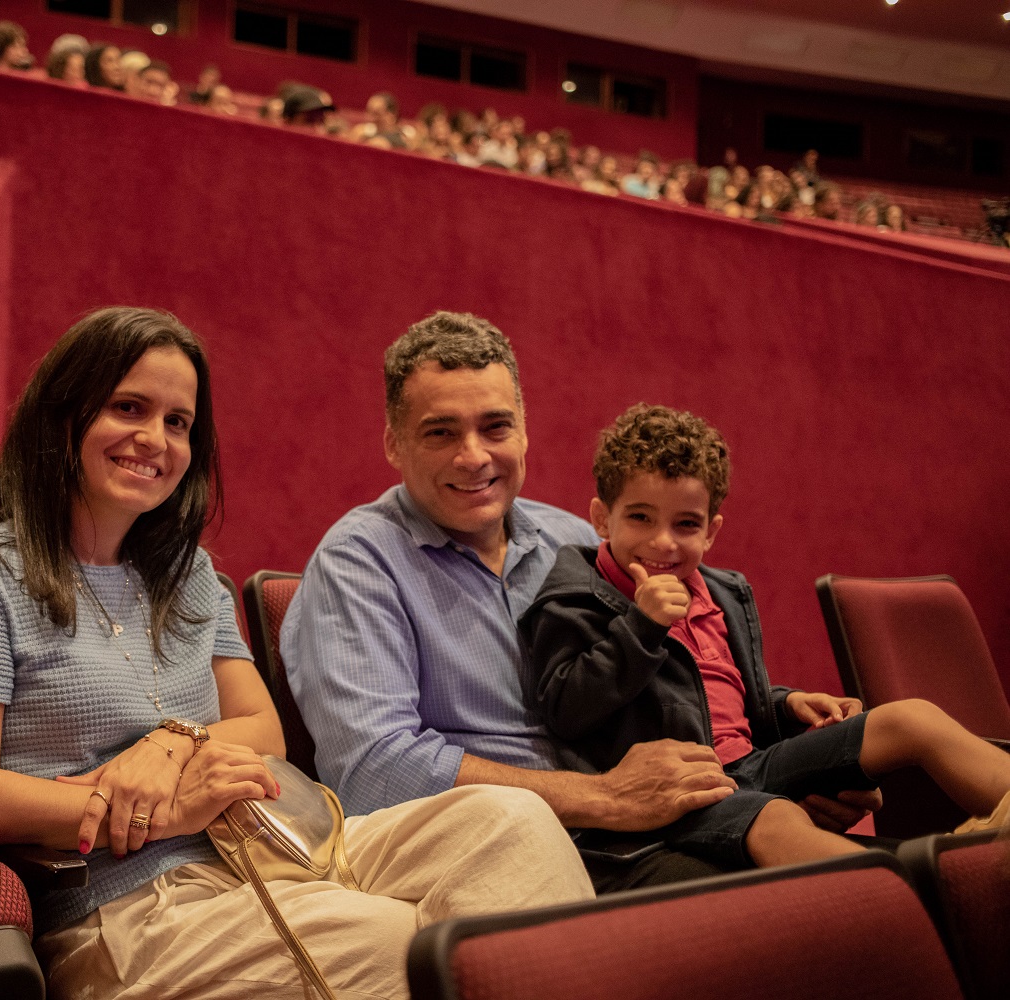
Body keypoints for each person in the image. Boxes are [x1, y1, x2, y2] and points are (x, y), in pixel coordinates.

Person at [0, 307, 594, 999]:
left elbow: (262, 731)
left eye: (177, 422)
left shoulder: (186, 570)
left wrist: (170, 746)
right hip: (127, 904)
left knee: (511, 820)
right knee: (398, 941)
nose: (154, 439)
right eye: (128, 408)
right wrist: (161, 810)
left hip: (280, 845)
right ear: (62, 417)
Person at [281, 312, 882, 894]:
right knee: (778, 903)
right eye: (440, 432)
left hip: (655, 820)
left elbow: (672, 672)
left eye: (495, 427)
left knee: (833, 869)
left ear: (523, 430)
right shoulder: (359, 562)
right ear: (393, 443)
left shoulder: (572, 540)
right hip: (508, 848)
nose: (474, 456)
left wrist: (787, 739)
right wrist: (604, 797)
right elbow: (375, 771)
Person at [521, 403, 1010, 868]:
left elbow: (724, 697)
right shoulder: (575, 598)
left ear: (711, 531)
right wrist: (642, 627)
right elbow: (565, 710)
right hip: (675, 797)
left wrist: (786, 704)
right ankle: (931, 886)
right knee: (776, 819)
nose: (663, 541)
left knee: (911, 718)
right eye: (640, 517)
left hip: (752, 764)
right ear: (602, 518)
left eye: (685, 524)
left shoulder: (722, 592)